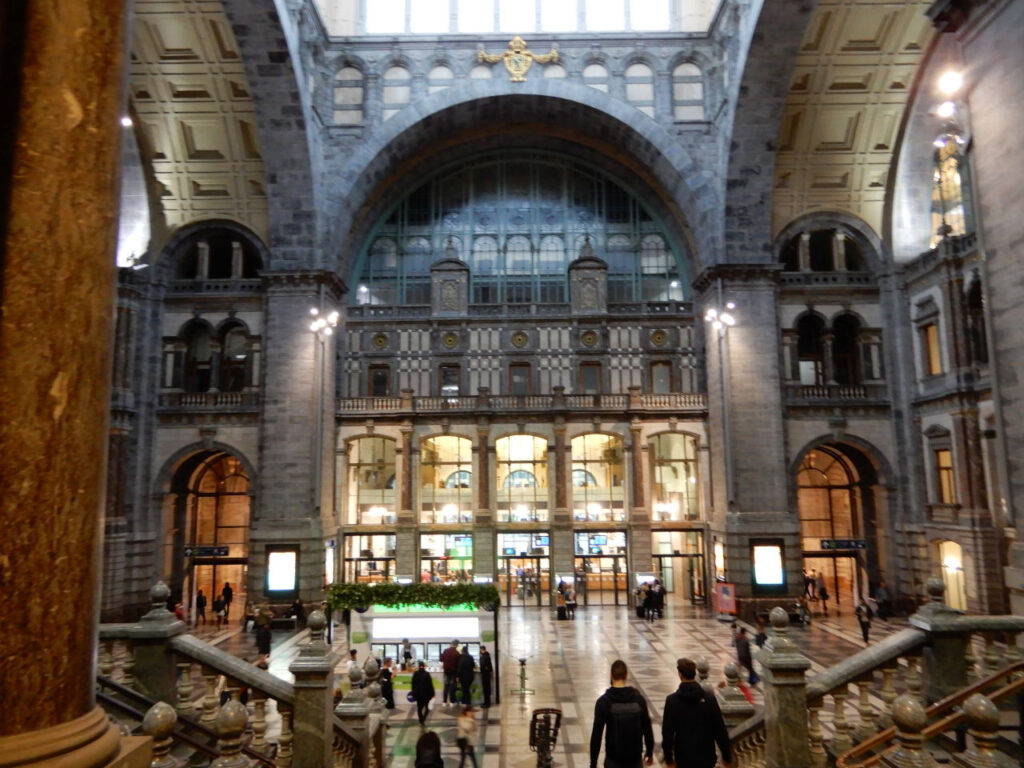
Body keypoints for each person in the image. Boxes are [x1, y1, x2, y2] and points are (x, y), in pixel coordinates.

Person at [662, 657, 732, 768]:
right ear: (694, 674)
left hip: (683, 758)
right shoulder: (709, 699)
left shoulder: (672, 701)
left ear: (680, 675)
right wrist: (727, 756)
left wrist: (669, 759)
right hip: (706, 758)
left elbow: (667, 734)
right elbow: (720, 730)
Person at [589, 660, 654, 768]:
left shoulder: (603, 702)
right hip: (635, 760)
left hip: (613, 760)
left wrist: (593, 763)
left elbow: (596, 735)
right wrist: (649, 752)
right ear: (626, 676)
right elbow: (647, 729)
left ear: (611, 675)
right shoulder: (639, 700)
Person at [411, 661, 436, 726]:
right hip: (426, 694)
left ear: (418, 666)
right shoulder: (427, 674)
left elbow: (413, 685)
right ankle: (423, 719)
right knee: (427, 708)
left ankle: (421, 720)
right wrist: (433, 693)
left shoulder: (415, 673)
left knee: (419, 708)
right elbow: (430, 685)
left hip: (418, 694)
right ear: (424, 666)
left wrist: (413, 693)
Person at [441, 639, 461, 708]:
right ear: (456, 645)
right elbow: (458, 665)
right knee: (452, 687)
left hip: (446, 672)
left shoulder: (445, 651)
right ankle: (451, 702)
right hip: (453, 673)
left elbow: (441, 659)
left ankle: (444, 702)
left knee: (446, 687)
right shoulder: (457, 653)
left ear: (451, 644)